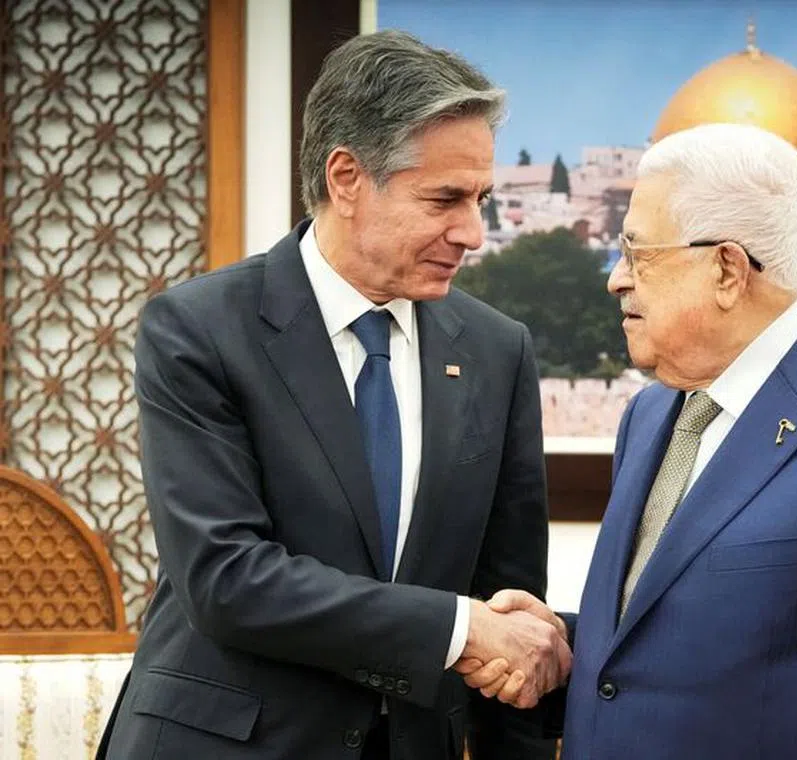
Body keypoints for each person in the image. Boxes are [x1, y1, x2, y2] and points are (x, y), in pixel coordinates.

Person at [97, 30, 569, 760]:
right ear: (347, 178)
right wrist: (457, 628)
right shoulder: (198, 329)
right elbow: (227, 578)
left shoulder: (498, 350)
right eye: (444, 198)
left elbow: (510, 606)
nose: (473, 232)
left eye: (481, 199)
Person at [462, 123, 797, 759]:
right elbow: (690, 645)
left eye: (638, 254)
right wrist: (559, 647)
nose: (616, 278)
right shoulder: (653, 411)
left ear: (727, 268)